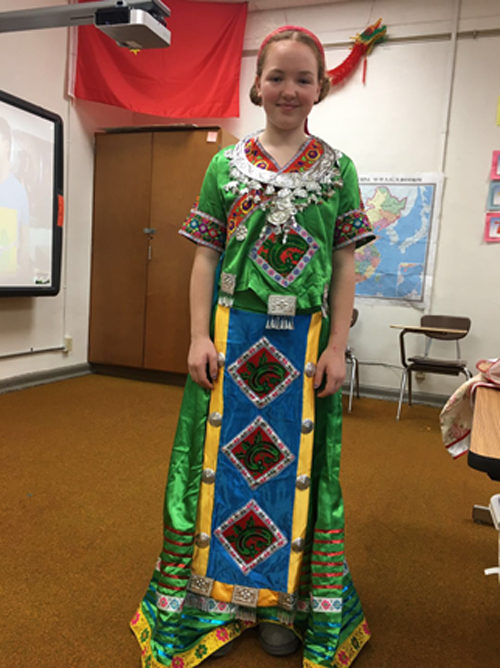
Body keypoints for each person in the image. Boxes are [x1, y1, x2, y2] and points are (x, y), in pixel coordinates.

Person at [131, 25, 375, 668]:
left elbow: (345, 264)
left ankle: (282, 608)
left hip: (305, 352)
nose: (289, 89)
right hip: (231, 345)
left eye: (303, 78)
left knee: (292, 481)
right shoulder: (223, 166)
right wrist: (196, 337)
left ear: (320, 89)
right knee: (223, 473)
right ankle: (218, 600)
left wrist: (337, 348)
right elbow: (206, 257)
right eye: (277, 77)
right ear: (255, 84)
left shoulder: (341, 169)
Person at [0, 117, 30, 280]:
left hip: (9, 282)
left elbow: (25, 242)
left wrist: (23, 279)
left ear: (6, 145)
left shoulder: (19, 192)